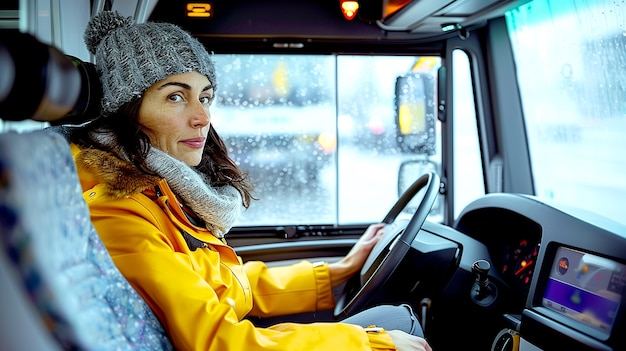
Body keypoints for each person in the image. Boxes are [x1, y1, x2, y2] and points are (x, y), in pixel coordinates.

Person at [70, 10, 432, 351]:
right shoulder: (118, 211)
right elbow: (219, 341)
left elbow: (228, 283)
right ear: (126, 110)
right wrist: (369, 343)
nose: (202, 117)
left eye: (205, 96)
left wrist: (338, 272)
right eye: (176, 96)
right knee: (399, 324)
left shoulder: (161, 191)